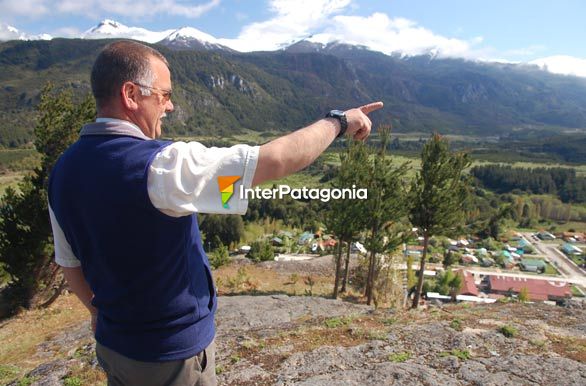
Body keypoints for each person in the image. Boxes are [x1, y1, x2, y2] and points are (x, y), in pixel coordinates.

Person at [48, 40, 382, 386]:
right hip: (170, 355)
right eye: (163, 95)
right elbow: (276, 160)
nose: (171, 106)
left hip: (114, 348)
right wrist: (339, 122)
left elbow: (70, 265)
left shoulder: (62, 171)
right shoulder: (163, 168)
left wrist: (102, 316)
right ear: (131, 94)